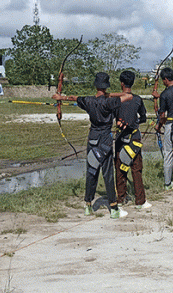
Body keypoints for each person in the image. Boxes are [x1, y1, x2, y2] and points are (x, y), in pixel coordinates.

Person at [52, 72, 132, 219]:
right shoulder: (109, 102)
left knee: (92, 171)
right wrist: (108, 95)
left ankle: (88, 205)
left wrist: (60, 97)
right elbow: (128, 96)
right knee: (108, 174)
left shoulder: (88, 101)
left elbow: (73, 98)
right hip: (105, 140)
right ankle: (114, 209)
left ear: (96, 85)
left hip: (93, 139)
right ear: (106, 86)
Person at [113, 71, 151, 209]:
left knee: (120, 168)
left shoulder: (116, 100)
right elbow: (144, 117)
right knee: (136, 169)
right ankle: (140, 201)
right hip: (134, 138)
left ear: (121, 83)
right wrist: (134, 122)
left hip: (120, 137)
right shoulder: (137, 99)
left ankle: (121, 198)